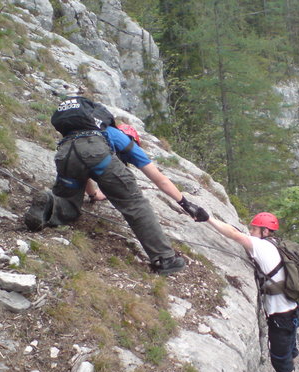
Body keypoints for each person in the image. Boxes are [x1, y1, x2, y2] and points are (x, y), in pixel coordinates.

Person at [24, 97, 206, 276]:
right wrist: (184, 202)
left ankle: (50, 204)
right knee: (134, 203)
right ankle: (165, 259)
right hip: (97, 156)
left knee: (68, 204)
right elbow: (159, 179)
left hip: (66, 154)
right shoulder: (117, 136)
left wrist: (94, 194)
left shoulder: (79, 131)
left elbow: (84, 172)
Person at [201, 211, 299, 372]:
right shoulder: (276, 244)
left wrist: (208, 218)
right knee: (290, 348)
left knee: (280, 358)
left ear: (264, 231)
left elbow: (234, 235)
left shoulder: (262, 247)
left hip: (280, 315)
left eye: (254, 228)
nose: (250, 231)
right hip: (292, 309)